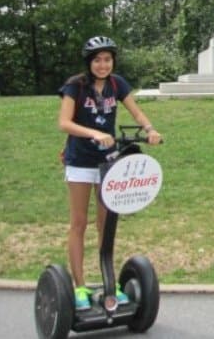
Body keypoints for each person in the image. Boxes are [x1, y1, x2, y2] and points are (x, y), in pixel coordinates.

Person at [58, 36, 163, 311]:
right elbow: (64, 123)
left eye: (107, 59)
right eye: (97, 60)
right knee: (79, 223)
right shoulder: (75, 86)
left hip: (108, 162)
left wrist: (150, 129)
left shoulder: (118, 84)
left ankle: (109, 283)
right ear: (89, 62)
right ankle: (80, 287)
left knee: (106, 226)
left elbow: (137, 113)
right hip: (80, 161)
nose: (103, 65)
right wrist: (94, 133)